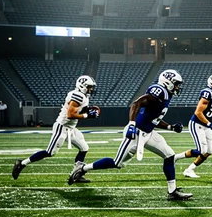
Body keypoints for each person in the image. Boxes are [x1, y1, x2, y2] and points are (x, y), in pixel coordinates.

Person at [68, 69, 193, 200]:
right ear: (168, 82)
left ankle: (172, 192)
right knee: (117, 163)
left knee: (170, 156)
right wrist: (132, 124)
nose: (178, 87)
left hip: (149, 133)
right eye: (176, 83)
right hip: (137, 133)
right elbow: (136, 103)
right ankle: (83, 168)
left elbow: (153, 118)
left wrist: (170, 127)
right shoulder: (159, 90)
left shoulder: (167, 94)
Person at [13, 75, 99, 182]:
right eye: (90, 87)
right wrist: (87, 115)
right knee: (50, 152)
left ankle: (76, 174)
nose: (91, 89)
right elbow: (70, 114)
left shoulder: (83, 96)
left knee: (84, 148)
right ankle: (21, 163)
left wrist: (87, 109)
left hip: (71, 128)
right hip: (62, 127)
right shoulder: (78, 95)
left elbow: (78, 109)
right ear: (83, 86)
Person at [182, 73, 212, 179]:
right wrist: (209, 123)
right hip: (197, 124)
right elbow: (198, 112)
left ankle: (190, 169)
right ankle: (175, 158)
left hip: (205, 126)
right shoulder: (207, 93)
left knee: (210, 150)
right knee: (202, 150)